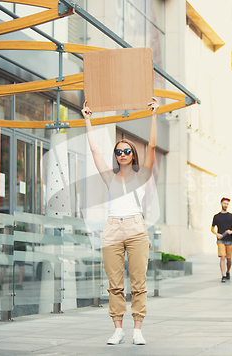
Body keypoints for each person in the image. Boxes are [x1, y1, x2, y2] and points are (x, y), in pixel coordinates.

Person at [82, 98, 159, 345]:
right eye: (118, 152)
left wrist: (154, 115)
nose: (123, 154)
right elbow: (95, 151)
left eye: (127, 151)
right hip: (113, 228)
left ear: (132, 154)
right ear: (115, 156)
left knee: (139, 282)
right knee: (114, 284)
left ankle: (137, 328)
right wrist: (87, 120)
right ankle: (118, 329)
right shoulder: (110, 178)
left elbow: (153, 147)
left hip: (136, 228)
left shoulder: (142, 176)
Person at [211, 197, 232, 283]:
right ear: (221, 203)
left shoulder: (231, 216)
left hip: (229, 240)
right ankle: (223, 275)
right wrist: (217, 234)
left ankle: (228, 271)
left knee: (229, 259)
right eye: (224, 203)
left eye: (227, 204)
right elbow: (212, 229)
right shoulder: (216, 216)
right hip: (220, 240)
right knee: (222, 257)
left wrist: (231, 231)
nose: (226, 205)